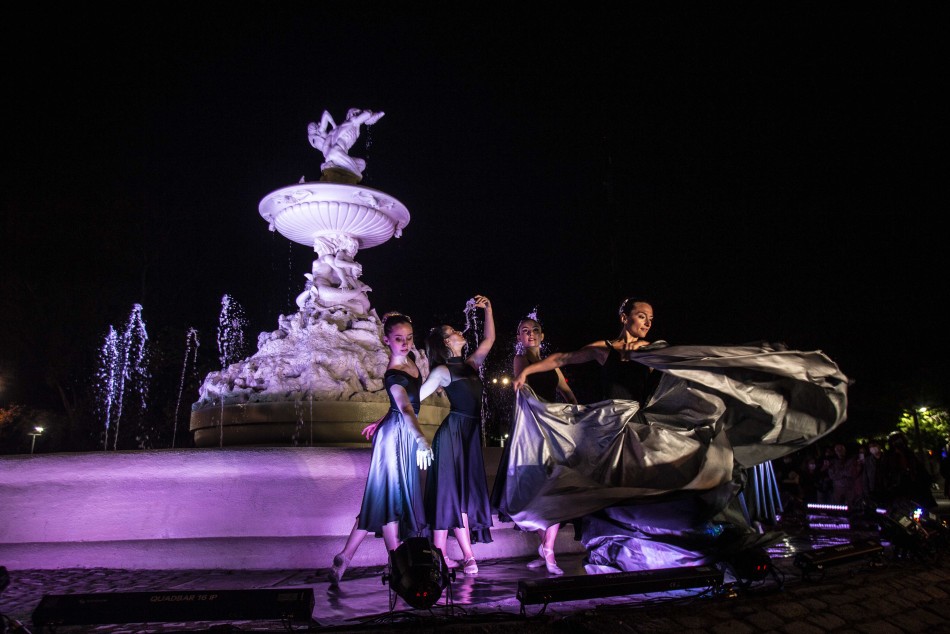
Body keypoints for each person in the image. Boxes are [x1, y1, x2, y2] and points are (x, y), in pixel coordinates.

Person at [327, 312, 434, 585]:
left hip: (399, 431)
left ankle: (346, 555)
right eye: (399, 339)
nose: (406, 343)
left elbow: (403, 404)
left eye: (409, 338)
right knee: (390, 499)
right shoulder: (393, 374)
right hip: (397, 438)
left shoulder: (409, 361)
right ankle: (397, 564)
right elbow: (407, 408)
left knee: (384, 498)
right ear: (386, 341)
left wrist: (384, 418)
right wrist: (422, 439)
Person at [492, 315, 578, 575]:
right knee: (538, 492)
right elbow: (524, 391)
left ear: (542, 335)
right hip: (532, 432)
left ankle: (548, 550)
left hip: (554, 432)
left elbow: (566, 390)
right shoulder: (521, 360)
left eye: (535, 330)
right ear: (519, 337)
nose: (530, 334)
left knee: (555, 489)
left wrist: (576, 411)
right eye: (525, 331)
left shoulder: (552, 364)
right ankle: (546, 550)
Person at [422, 295, 496, 575]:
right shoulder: (442, 371)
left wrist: (488, 309)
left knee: (453, 494)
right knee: (453, 495)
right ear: (445, 343)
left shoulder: (471, 364)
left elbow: (489, 339)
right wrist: (390, 416)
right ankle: (468, 555)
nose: (459, 332)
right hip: (453, 435)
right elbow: (415, 399)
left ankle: (439, 554)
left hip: (469, 434)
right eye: (453, 332)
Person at [512, 297, 660, 403]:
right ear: (624, 318)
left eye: (651, 319)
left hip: (640, 422)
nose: (648, 323)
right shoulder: (604, 348)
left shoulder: (651, 350)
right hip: (612, 422)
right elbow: (562, 358)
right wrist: (525, 372)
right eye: (642, 316)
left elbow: (679, 363)